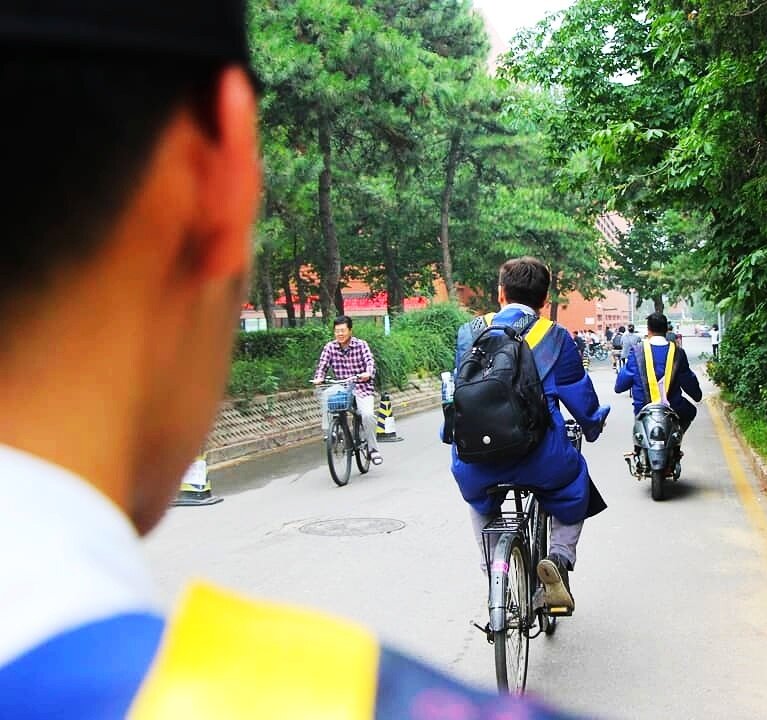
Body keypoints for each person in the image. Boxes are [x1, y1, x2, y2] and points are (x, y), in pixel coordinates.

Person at [0, 6, 575, 717]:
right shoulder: (362, 701)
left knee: (397, 433)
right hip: (529, 453)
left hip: (464, 458)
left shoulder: (457, 335)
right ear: (220, 174)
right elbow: (572, 397)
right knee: (567, 484)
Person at [447, 257, 610, 613]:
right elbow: (579, 396)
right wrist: (593, 424)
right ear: (545, 299)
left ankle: (495, 568)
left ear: (500, 293)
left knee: (478, 498)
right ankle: (559, 558)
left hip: (478, 458)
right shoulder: (555, 336)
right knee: (575, 483)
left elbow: (457, 393)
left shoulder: (470, 332)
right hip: (541, 457)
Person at [615, 312, 703, 433]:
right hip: (673, 409)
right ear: (666, 330)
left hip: (643, 410)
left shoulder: (637, 352)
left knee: (639, 432)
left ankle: (640, 444)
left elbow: (620, 385)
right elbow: (688, 380)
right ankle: (676, 438)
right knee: (691, 411)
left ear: (648, 330)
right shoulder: (678, 353)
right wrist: (697, 395)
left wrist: (620, 385)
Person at [313, 315, 382, 466]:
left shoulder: (361, 345)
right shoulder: (330, 347)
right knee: (326, 395)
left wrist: (368, 373)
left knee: (368, 415)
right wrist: (319, 378)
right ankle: (331, 432)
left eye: (343, 330)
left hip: (362, 387)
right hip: (342, 387)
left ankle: (373, 449)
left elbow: (370, 362)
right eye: (337, 331)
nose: (340, 334)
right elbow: (322, 366)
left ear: (350, 330)